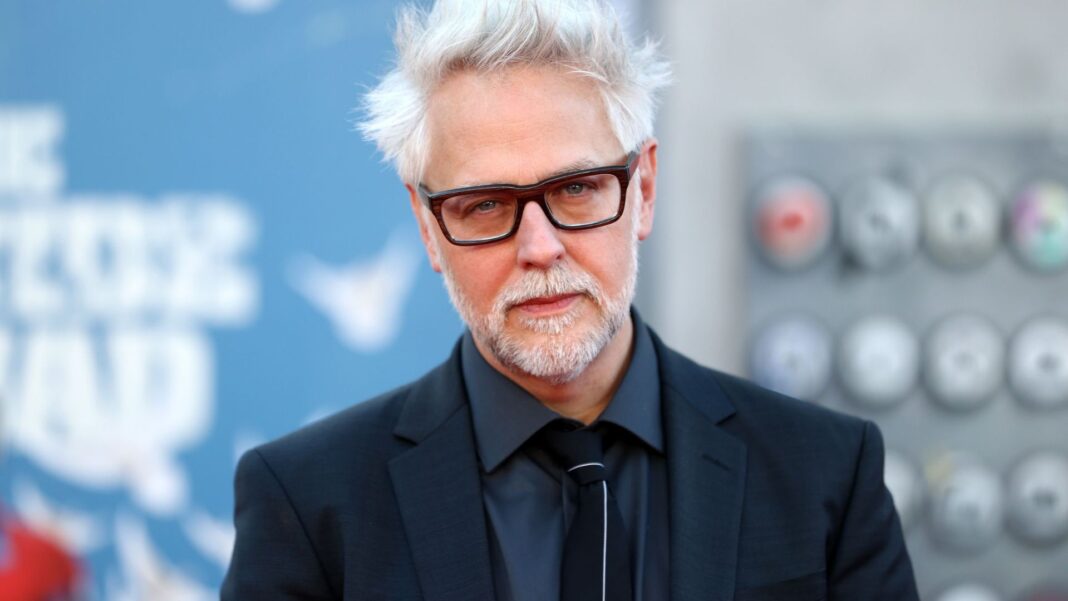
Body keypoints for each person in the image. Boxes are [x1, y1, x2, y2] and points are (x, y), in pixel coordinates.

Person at [221, 1, 919, 599]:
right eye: (485, 204)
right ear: (428, 228)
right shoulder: (309, 502)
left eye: (577, 189)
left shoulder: (824, 471)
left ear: (644, 189)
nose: (539, 246)